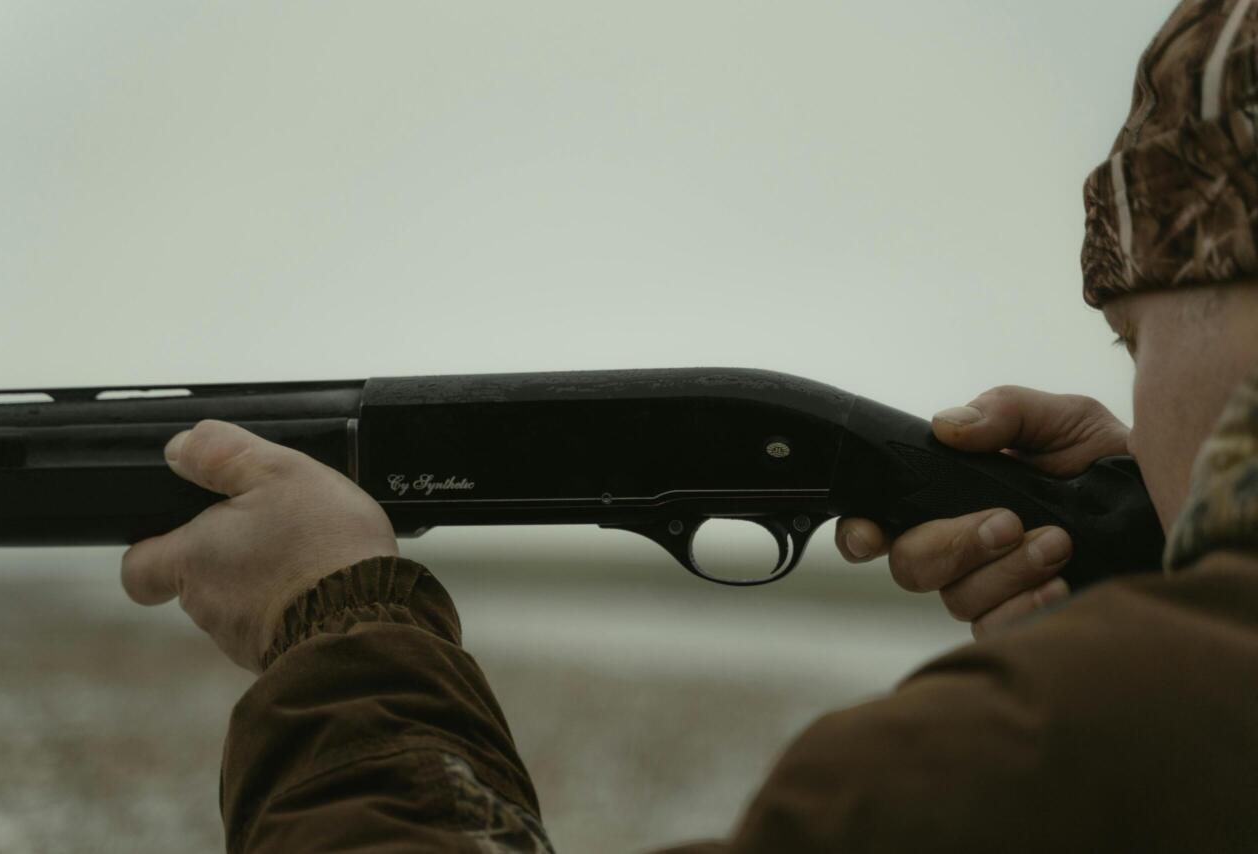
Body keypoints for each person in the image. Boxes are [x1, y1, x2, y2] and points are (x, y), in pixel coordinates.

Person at [120, 1, 1258, 850]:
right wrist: (1148, 565)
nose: (1129, 384)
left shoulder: (1036, 751)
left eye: (1130, 339)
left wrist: (337, 625)